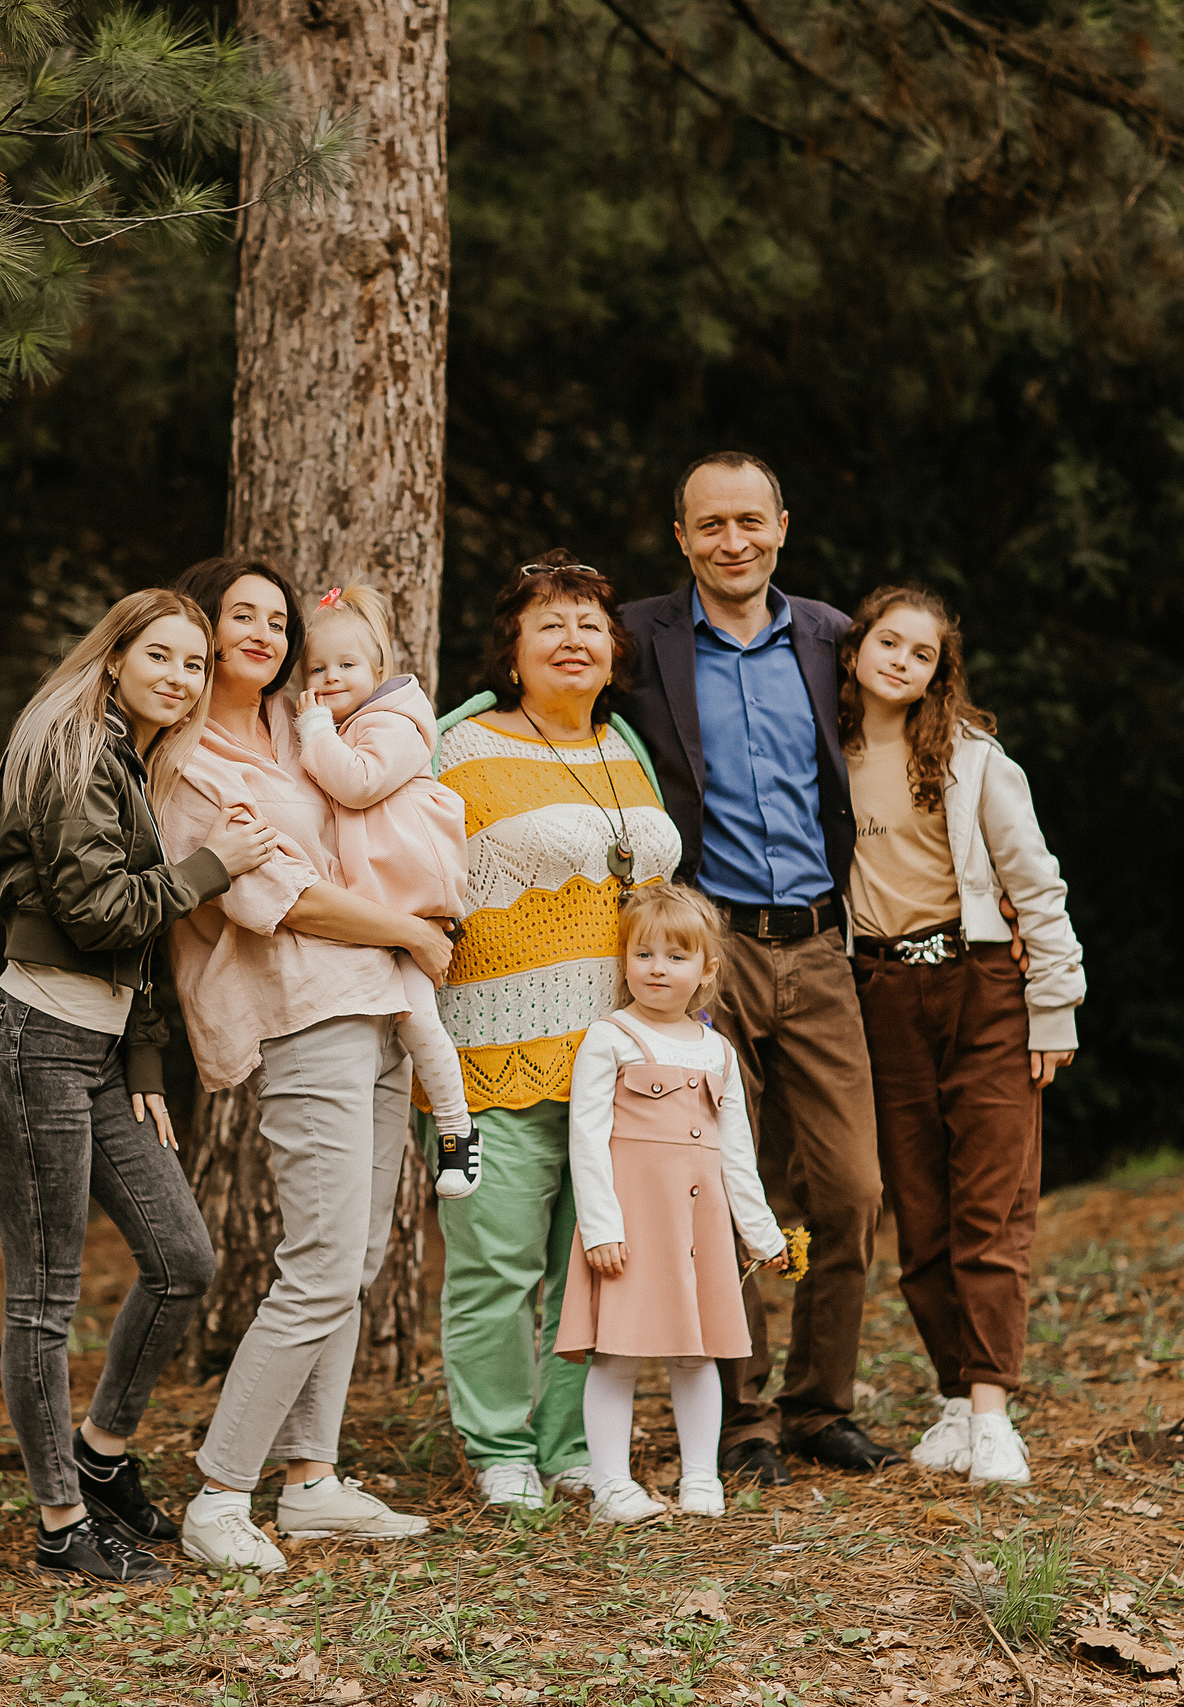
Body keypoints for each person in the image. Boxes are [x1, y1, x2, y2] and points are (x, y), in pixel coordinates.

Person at [0, 589, 282, 1585]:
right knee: (45, 1299)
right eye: (163, 657)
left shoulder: (127, 761)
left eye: (195, 664)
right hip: (31, 1045)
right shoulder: (69, 751)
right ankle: (61, 1523)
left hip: (93, 1056)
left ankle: (97, 1460)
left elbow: (130, 954)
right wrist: (211, 867)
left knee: (184, 1257)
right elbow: (103, 911)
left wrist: (140, 1061)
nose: (181, 679)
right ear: (113, 658)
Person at [159, 556, 457, 1574]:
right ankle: (218, 1493)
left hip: (373, 1005)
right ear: (199, 630)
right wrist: (412, 934)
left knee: (360, 1257)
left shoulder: (298, 728)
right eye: (240, 615)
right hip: (304, 1013)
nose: (264, 631)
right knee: (321, 1263)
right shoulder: (189, 762)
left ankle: (312, 1481)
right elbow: (269, 898)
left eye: (276, 618)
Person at [617, 451, 899, 1478]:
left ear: (781, 525)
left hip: (821, 946)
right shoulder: (639, 640)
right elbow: (536, 690)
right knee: (715, 1186)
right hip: (707, 953)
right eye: (710, 525)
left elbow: (920, 734)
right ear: (681, 537)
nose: (731, 541)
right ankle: (740, 1418)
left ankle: (820, 1404)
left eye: (750, 521)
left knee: (847, 1189)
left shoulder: (831, 638)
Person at [427, 552, 683, 1510]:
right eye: (551, 625)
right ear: (513, 649)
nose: (573, 640)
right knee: (499, 1265)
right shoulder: (459, 748)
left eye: (589, 625)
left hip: (620, 1063)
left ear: (614, 649)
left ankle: (573, 1440)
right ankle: (498, 1446)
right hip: (492, 1053)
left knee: (597, 1260)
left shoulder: (629, 748)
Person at [837, 586, 1083, 1487]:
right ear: (857, 647)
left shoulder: (973, 759)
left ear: (942, 671)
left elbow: (1038, 883)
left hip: (981, 987)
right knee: (920, 1203)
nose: (901, 661)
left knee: (990, 1200)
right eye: (888, 642)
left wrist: (1054, 1003)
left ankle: (992, 1414)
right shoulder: (830, 755)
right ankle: (950, 1398)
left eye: (923, 653)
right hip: (880, 992)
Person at [554, 884, 791, 1524]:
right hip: (632, 1222)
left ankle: (700, 1477)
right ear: (624, 960)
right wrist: (601, 1226)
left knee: (697, 1352)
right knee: (618, 1352)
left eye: (676, 957)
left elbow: (736, 1152)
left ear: (706, 970)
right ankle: (611, 1485)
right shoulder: (610, 1038)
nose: (657, 968)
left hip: (698, 1228)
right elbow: (587, 1138)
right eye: (644, 953)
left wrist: (762, 1232)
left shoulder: (718, 1051)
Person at [292, 584, 480, 1197]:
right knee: (408, 1021)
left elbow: (355, 785)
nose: (331, 677)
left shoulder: (395, 722)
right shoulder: (351, 724)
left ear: (378, 669)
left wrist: (314, 726)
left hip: (413, 901)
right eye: (318, 669)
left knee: (420, 1021)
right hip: (382, 905)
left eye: (346, 665)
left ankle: (457, 1130)